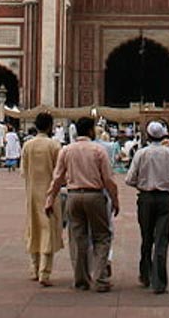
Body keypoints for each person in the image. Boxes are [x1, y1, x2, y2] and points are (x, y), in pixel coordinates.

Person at [44, 116, 119, 292]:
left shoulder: (67, 150)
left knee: (78, 239)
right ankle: (100, 279)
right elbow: (108, 179)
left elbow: (57, 179)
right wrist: (115, 200)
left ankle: (81, 280)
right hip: (95, 196)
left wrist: (50, 199)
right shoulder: (98, 150)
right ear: (91, 130)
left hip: (73, 196)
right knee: (102, 237)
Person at [125, 121, 169, 295]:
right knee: (161, 240)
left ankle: (145, 275)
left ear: (147, 135)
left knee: (146, 238)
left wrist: (144, 182)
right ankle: (159, 282)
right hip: (164, 200)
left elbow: (129, 179)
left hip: (145, 198)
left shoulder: (140, 154)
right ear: (163, 136)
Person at [22, 112, 64, 286]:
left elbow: (23, 172)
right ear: (50, 126)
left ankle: (34, 268)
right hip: (50, 194)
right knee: (48, 229)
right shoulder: (54, 146)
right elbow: (60, 172)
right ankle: (44, 272)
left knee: (34, 229)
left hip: (31, 193)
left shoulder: (27, 146)